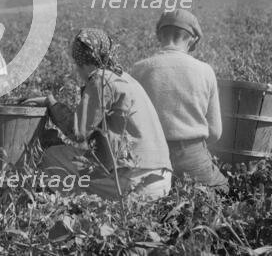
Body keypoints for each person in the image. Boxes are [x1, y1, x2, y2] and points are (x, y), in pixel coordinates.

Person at [23, 28, 172, 201]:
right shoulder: (125, 78)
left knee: (51, 155)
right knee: (80, 160)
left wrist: (51, 104)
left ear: (81, 62)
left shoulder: (101, 79)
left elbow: (78, 132)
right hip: (161, 179)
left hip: (134, 182)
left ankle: (67, 204)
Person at [131, 9, 227, 191]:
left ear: (159, 35)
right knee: (222, 189)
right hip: (191, 157)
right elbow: (215, 132)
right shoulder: (205, 71)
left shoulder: (139, 69)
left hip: (151, 158)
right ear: (193, 39)